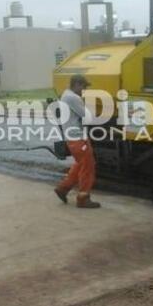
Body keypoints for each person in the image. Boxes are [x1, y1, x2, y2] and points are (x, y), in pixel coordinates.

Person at [54, 74, 100, 209]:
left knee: (81, 164)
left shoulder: (65, 95)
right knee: (88, 166)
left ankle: (63, 188)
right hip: (78, 138)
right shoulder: (73, 98)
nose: (83, 89)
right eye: (83, 86)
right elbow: (87, 116)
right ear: (77, 84)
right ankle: (83, 198)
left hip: (73, 137)